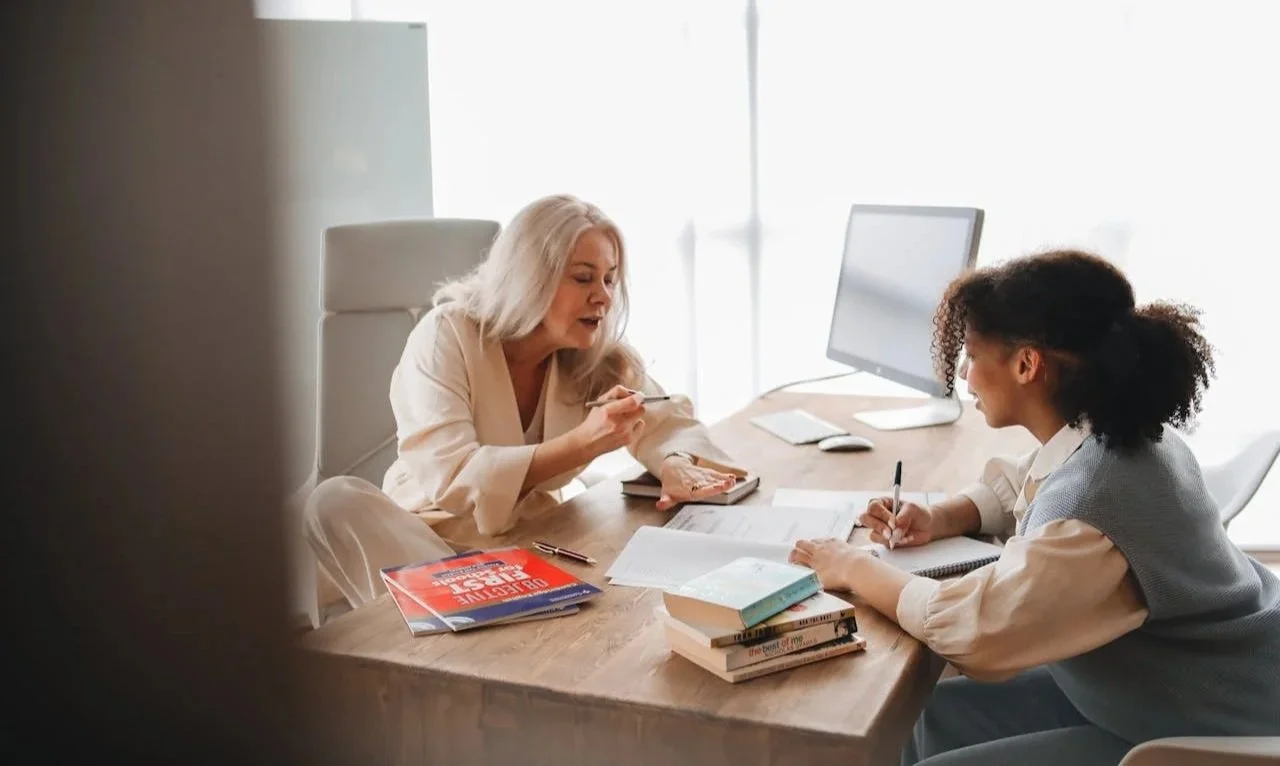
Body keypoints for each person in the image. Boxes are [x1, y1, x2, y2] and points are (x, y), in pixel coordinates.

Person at [789, 250, 1280, 765]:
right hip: (1184, 682)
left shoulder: (1091, 518)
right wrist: (942, 517)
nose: (963, 373)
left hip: (1215, 724)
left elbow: (977, 629)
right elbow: (1035, 480)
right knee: (928, 711)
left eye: (973, 356)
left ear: (1027, 364)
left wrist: (852, 567)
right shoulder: (1123, 438)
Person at [304, 194, 743, 609]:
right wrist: (583, 445)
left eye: (610, 279)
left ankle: (477, 618)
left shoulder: (596, 358)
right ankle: (464, 614)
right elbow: (455, 478)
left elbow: (664, 417)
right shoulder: (447, 335)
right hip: (424, 536)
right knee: (334, 500)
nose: (604, 296)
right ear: (532, 276)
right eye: (584, 277)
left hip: (527, 542)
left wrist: (675, 463)